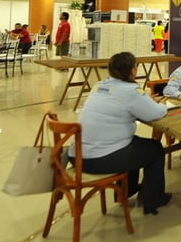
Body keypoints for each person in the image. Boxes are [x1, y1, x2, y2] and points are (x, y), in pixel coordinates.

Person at [70, 52, 171, 215]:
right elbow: (156, 113)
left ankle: (125, 192)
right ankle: (153, 199)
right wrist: (160, 104)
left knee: (136, 144)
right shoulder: (131, 91)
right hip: (100, 158)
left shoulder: (99, 86)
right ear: (133, 70)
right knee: (155, 149)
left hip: (77, 155)